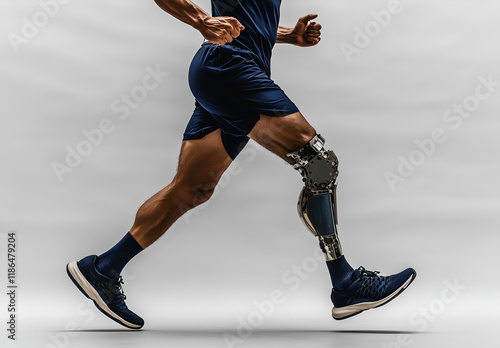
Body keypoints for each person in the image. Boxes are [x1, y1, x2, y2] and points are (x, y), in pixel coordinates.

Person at [66, 0, 416, 329]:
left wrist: (287, 36)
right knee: (318, 162)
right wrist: (201, 20)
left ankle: (103, 268)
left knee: (192, 189)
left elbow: (245, 17)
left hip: (224, 73)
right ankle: (345, 281)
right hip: (229, 69)